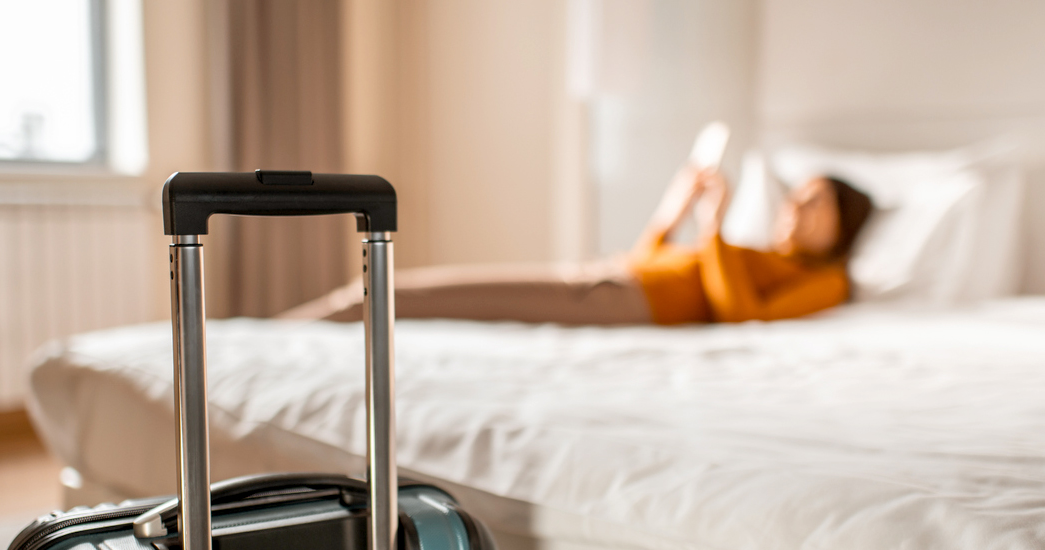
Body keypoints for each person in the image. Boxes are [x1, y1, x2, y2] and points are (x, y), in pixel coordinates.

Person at [281, 164, 873, 326]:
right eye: (797, 194)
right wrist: (675, 211)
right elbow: (650, 259)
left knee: (429, 298)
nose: (795, 203)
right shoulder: (756, 253)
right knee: (420, 291)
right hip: (613, 276)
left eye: (814, 201)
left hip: (623, 301)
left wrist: (714, 226)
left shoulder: (831, 280)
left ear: (840, 226)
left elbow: (742, 315)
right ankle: (299, 323)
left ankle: (294, 327)